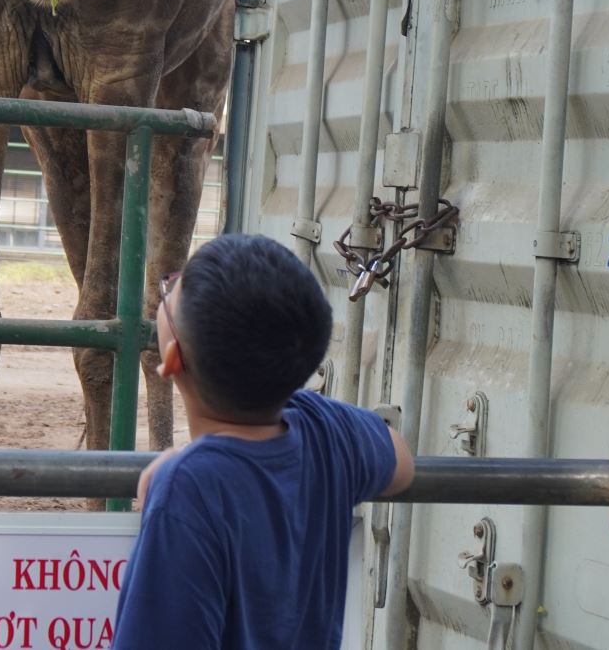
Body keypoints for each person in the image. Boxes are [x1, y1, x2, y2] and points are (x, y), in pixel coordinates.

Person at [112, 233, 414, 649]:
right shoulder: (324, 428)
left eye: (170, 290)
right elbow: (400, 460)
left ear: (172, 358)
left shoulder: (188, 488)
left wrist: (186, 466)